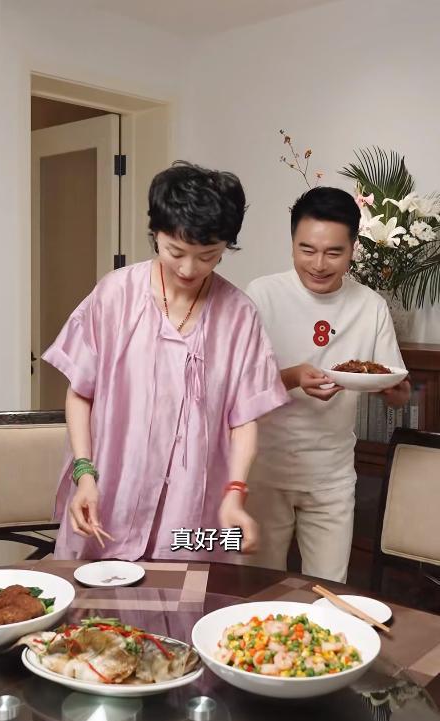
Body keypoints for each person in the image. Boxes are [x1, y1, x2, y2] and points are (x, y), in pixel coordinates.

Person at [42, 161, 288, 562]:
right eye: (176, 251)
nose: (189, 269)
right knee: (92, 596)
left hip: (193, 514)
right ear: (155, 232)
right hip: (107, 497)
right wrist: (84, 474)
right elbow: (80, 394)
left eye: (208, 256)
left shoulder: (239, 314)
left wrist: (234, 494)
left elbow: (243, 419)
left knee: (186, 591)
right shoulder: (115, 295)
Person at [245, 186, 410, 582]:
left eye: (334, 253)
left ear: (353, 248)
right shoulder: (262, 294)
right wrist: (292, 377)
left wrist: (393, 390)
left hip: (332, 475)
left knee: (328, 590)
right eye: (307, 250)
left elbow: (399, 392)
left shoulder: (370, 306)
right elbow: (238, 386)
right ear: (292, 244)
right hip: (264, 471)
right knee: (256, 588)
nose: (318, 264)